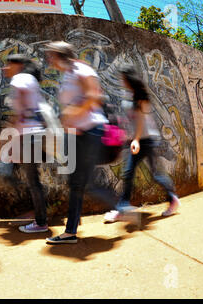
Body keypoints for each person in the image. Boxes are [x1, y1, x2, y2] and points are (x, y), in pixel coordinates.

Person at [43, 41, 118, 244]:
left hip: (91, 131)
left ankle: (121, 207)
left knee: (82, 184)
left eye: (51, 55)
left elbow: (94, 95)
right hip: (77, 134)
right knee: (78, 183)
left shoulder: (81, 69)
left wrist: (71, 113)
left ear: (61, 55)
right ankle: (72, 230)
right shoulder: (68, 74)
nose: (49, 60)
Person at [104, 66, 180, 223]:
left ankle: (123, 208)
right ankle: (171, 198)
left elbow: (140, 121)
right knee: (142, 173)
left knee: (132, 173)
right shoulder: (131, 94)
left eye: (123, 78)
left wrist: (136, 139)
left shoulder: (139, 96)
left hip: (145, 140)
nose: (121, 81)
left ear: (129, 79)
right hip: (141, 139)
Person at [2, 54, 49, 233]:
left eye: (8, 64)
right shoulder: (32, 80)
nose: (4, 68)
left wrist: (5, 136)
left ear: (18, 65)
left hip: (27, 136)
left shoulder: (19, 79)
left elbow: (18, 112)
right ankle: (36, 212)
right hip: (34, 134)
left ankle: (41, 220)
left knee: (30, 179)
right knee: (11, 170)